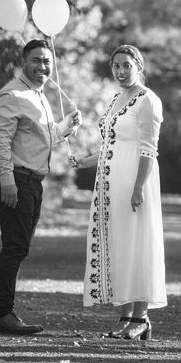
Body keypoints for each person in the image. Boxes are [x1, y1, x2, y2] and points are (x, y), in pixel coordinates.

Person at [69, 45, 166, 340]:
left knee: (138, 245)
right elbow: (111, 147)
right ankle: (126, 317)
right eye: (116, 66)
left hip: (135, 180)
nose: (121, 72)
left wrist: (138, 187)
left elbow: (149, 149)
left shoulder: (148, 100)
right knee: (119, 246)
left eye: (126, 65)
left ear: (138, 66)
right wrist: (84, 161)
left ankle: (142, 318)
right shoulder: (115, 99)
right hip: (109, 184)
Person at [0, 38, 81, 334]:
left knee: (19, 247)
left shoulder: (38, 96)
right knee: (14, 247)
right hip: (15, 180)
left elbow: (41, 139)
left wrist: (65, 127)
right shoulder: (11, 95)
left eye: (47, 62)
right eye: (37, 60)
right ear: (24, 61)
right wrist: (7, 180)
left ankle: (3, 313)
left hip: (32, 182)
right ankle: (2, 314)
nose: (43, 66)